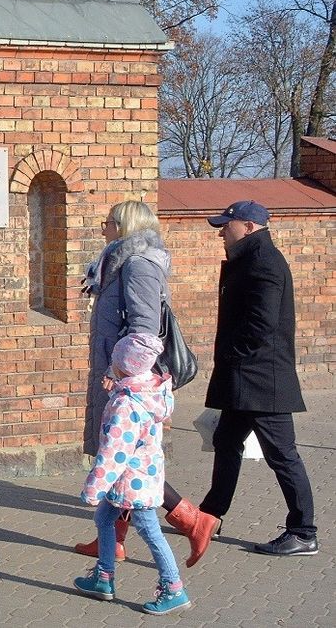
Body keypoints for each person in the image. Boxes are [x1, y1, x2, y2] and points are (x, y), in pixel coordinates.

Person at [73, 200, 217, 567]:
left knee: (127, 456)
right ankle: (113, 541)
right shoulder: (118, 262)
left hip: (128, 380)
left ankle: (193, 520)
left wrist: (121, 371)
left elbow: (145, 330)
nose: (103, 228)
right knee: (120, 455)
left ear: (123, 226)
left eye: (108, 222)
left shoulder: (138, 265)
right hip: (117, 372)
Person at [198, 201, 317, 556]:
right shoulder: (251, 259)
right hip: (246, 378)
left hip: (262, 380)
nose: (221, 232)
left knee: (282, 454)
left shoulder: (264, 263)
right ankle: (209, 516)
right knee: (226, 441)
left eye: (226, 226)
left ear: (249, 226)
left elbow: (260, 326)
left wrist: (233, 355)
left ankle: (304, 531)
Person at [73, 333, 191, 616]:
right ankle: (103, 578)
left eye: (114, 360)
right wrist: (115, 391)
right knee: (104, 518)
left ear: (124, 365)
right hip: (140, 475)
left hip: (131, 480)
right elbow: (130, 412)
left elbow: (115, 451)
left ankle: (173, 587)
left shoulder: (126, 405)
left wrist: (94, 487)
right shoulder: (143, 392)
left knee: (149, 530)